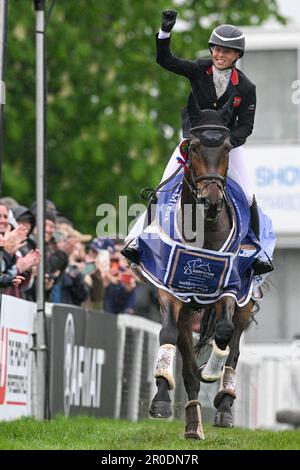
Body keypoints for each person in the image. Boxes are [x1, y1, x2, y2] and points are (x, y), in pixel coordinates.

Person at [123, 10, 273, 276]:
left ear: (237, 56)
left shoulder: (247, 88)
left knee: (248, 194)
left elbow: (245, 128)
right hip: (192, 142)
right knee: (162, 187)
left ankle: (255, 248)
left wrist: (225, 142)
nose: (219, 55)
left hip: (225, 148)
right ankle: (140, 237)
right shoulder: (199, 69)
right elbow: (165, 60)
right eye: (216, 49)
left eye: (226, 51)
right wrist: (165, 33)